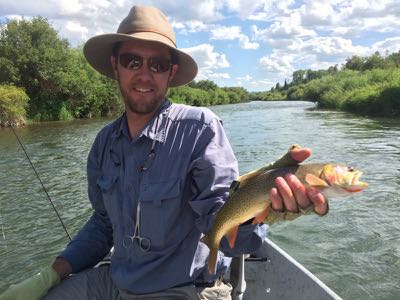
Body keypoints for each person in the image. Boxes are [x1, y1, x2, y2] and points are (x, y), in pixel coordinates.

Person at [0, 5, 328, 300]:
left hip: (183, 288)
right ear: (115, 66)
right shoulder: (104, 143)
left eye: (157, 64)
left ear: (171, 72)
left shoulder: (200, 128)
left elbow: (220, 218)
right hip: (116, 283)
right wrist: (51, 274)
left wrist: (264, 209)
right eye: (132, 61)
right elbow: (103, 225)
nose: (144, 75)